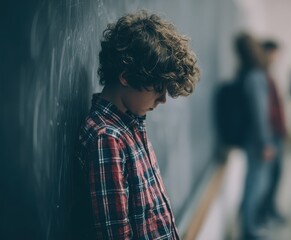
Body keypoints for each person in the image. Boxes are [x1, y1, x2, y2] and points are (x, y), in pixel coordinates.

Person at [74, 10, 200, 239]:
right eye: (158, 88)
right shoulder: (107, 138)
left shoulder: (131, 124)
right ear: (126, 77)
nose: (162, 100)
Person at [235, 33, 276, 240]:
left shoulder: (244, 73)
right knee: (257, 183)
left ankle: (249, 223)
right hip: (257, 139)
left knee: (253, 181)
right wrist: (266, 143)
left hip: (250, 137)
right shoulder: (256, 76)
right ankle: (249, 229)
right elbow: (260, 113)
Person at [259, 40, 288, 224]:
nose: (275, 57)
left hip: (276, 132)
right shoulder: (260, 76)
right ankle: (265, 212)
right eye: (273, 53)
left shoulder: (269, 74)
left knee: (277, 174)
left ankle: (271, 209)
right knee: (269, 177)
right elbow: (263, 111)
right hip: (270, 135)